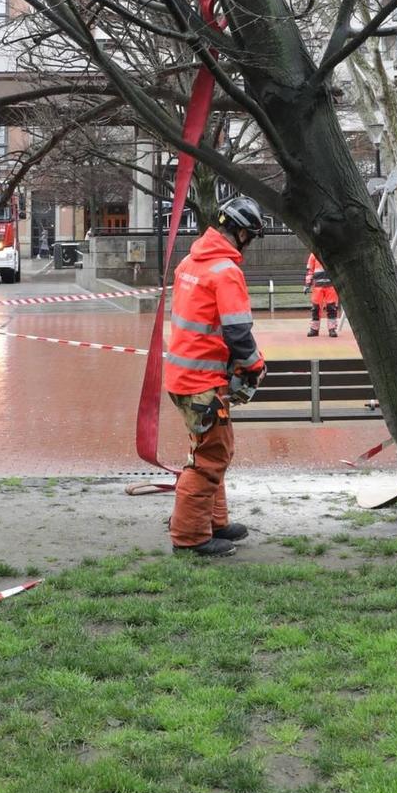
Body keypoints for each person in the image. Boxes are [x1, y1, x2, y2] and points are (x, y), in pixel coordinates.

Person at [165, 195, 267, 557]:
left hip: (182, 377)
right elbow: (238, 333)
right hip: (202, 383)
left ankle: (215, 522)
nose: (250, 245)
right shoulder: (226, 272)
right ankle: (190, 538)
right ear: (240, 232)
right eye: (250, 237)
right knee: (209, 458)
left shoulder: (190, 262)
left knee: (212, 449)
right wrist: (255, 366)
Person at [304, 251, 340, 338]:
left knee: (331, 307)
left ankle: (332, 329)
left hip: (331, 286)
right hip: (317, 287)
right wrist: (307, 284)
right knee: (316, 308)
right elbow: (310, 271)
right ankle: (314, 329)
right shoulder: (313, 255)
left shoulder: (333, 253)